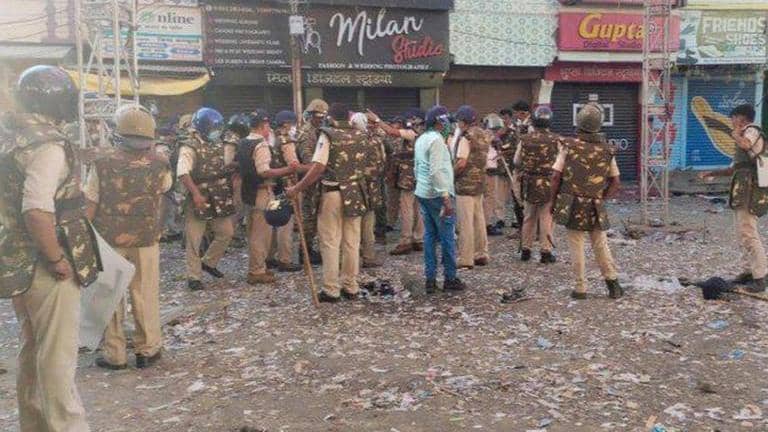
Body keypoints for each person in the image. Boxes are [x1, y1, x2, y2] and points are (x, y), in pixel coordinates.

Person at [0, 65, 100, 432]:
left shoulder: (13, 137)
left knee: (33, 347)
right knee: (58, 355)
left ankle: (36, 423)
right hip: (45, 262)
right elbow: (37, 210)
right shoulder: (48, 145)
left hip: (18, 260)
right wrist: (57, 258)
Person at [86, 104, 172, 370]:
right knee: (144, 292)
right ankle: (148, 349)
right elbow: (164, 190)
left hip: (109, 240)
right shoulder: (160, 162)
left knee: (110, 294)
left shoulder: (101, 162)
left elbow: (90, 202)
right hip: (146, 239)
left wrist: (84, 238)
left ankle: (115, 354)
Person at [286, 103, 368, 302]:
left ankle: (331, 289)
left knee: (330, 241)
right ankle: (351, 286)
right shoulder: (361, 135)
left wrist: (297, 188)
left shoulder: (327, 135)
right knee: (352, 241)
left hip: (333, 192)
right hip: (355, 192)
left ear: (330, 117)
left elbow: (318, 167)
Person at [551, 102, 622, 300]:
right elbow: (616, 182)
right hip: (596, 204)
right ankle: (613, 284)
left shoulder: (568, 146)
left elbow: (555, 177)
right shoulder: (608, 150)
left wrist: (553, 202)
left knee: (576, 244)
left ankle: (581, 288)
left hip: (572, 204)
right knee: (600, 243)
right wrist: (600, 198)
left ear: (579, 123)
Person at [699, 104, 767, 292]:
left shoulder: (751, 131)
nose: (731, 122)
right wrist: (711, 173)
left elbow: (746, 144)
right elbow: (733, 168)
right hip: (742, 191)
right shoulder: (744, 136)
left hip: (750, 191)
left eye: (733, 118)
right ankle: (748, 272)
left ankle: (760, 278)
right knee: (742, 234)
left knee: (749, 234)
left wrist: (736, 133)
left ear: (741, 118)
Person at [178, 107, 237, 291]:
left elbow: (221, 164)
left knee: (226, 232)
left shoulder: (218, 143)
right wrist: (195, 194)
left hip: (219, 195)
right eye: (213, 129)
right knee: (194, 239)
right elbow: (183, 173)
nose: (216, 132)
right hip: (199, 195)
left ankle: (209, 262)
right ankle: (193, 276)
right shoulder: (189, 146)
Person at [240, 110, 298, 285]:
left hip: (248, 192)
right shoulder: (261, 145)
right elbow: (264, 171)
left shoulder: (243, 142)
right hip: (263, 191)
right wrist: (287, 170)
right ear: (263, 126)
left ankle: (260, 266)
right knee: (261, 235)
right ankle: (257, 271)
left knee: (254, 233)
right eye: (267, 126)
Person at [413, 105, 466, 294]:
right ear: (439, 122)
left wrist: (422, 186)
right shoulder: (436, 141)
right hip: (438, 195)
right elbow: (435, 171)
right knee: (447, 238)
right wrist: (445, 198)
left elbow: (417, 167)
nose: (448, 126)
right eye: (445, 122)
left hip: (423, 192)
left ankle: (430, 279)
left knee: (429, 236)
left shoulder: (421, 139)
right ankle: (450, 278)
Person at [376, 109, 425, 255]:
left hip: (409, 178)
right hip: (417, 175)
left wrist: (377, 120)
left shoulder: (413, 133)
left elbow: (392, 132)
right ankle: (418, 238)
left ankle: (406, 241)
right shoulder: (423, 133)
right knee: (417, 208)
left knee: (406, 208)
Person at [515, 105, 560, 263]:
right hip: (549, 183)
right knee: (546, 218)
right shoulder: (556, 140)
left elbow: (516, 161)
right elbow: (561, 164)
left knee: (529, 217)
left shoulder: (525, 139)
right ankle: (545, 252)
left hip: (530, 182)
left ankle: (525, 250)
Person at [452, 105, 491, 269]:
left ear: (463, 121)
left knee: (465, 222)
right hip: (479, 182)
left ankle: (466, 258)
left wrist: (451, 175)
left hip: (465, 184)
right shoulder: (483, 134)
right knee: (479, 219)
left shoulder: (466, 137)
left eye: (458, 121)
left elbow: (461, 162)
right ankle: (481, 253)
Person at [266, 110, 303, 272]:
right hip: (286, 185)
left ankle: (269, 256)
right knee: (285, 223)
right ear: (287, 124)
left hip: (273, 185)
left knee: (273, 221)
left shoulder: (270, 137)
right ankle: (285, 259)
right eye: (293, 123)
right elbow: (293, 163)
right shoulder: (286, 140)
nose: (294, 126)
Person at [295, 99, 328, 264]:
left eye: (322, 116)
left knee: (315, 216)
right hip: (311, 181)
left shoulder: (317, 130)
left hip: (317, 179)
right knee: (309, 217)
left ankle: (308, 249)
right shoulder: (307, 133)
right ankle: (305, 252)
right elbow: (309, 161)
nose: (320, 119)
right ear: (311, 115)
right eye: (318, 116)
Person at [353, 112, 385, 267]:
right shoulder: (375, 141)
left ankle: (354, 257)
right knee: (368, 222)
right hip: (372, 186)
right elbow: (382, 162)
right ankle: (368, 256)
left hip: (354, 187)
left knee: (353, 223)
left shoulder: (350, 140)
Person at [483, 114, 505, 236]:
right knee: (489, 198)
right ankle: (487, 224)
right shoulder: (487, 136)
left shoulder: (490, 136)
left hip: (491, 168)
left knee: (490, 198)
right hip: (488, 169)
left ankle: (486, 222)